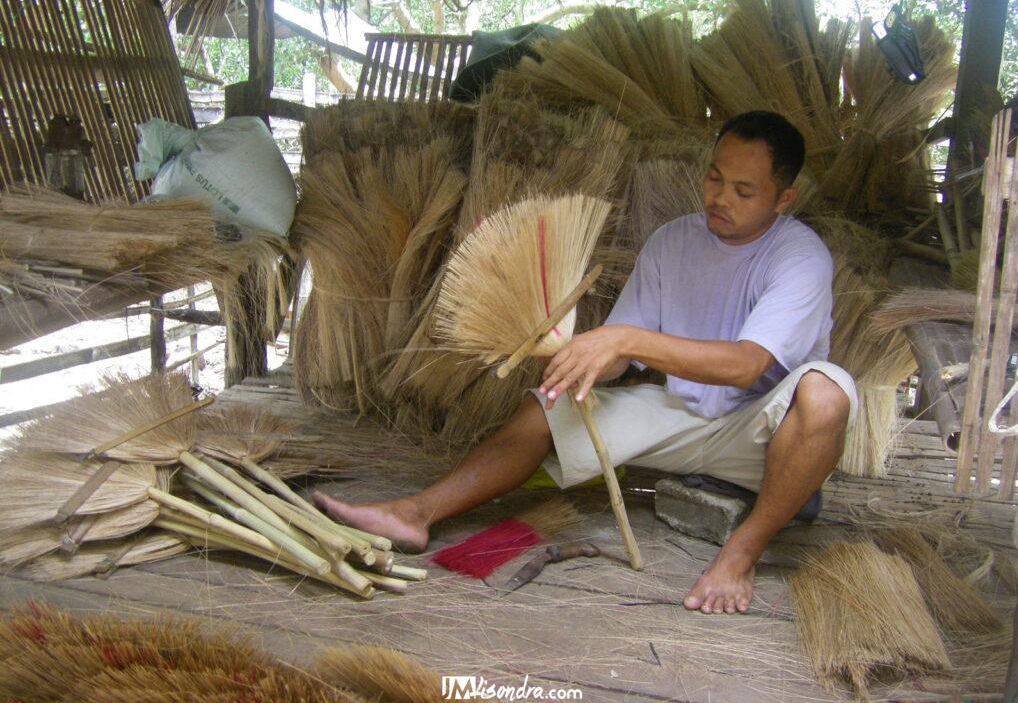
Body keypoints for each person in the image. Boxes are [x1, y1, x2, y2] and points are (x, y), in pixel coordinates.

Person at [314, 110, 857, 615]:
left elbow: (746, 364)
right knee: (548, 405)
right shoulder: (672, 242)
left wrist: (625, 340)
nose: (720, 197)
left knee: (826, 393)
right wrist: (567, 347)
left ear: (784, 197)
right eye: (714, 178)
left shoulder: (799, 256)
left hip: (760, 432)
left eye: (744, 190)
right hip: (682, 414)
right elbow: (618, 359)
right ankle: (415, 514)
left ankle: (740, 554)